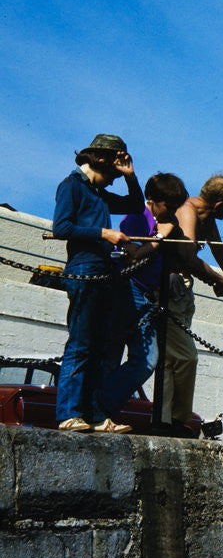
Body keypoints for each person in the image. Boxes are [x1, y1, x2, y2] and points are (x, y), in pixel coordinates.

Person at [51, 134, 139, 432]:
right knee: (81, 344)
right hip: (84, 271)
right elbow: (61, 227)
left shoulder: (98, 192)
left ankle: (96, 416)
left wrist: (131, 176)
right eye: (116, 169)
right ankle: (69, 413)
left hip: (104, 274)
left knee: (100, 347)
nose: (116, 176)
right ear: (101, 159)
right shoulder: (71, 186)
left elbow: (135, 205)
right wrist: (103, 233)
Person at [95, 172, 189, 427]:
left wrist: (173, 232)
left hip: (149, 297)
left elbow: (185, 253)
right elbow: (134, 255)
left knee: (147, 360)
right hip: (127, 291)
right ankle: (99, 410)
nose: (170, 212)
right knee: (111, 356)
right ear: (152, 200)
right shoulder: (136, 218)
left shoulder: (168, 222)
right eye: (167, 206)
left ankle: (101, 407)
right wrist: (160, 238)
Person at [160, 174, 223, 430]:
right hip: (171, 287)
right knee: (185, 357)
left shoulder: (206, 217)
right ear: (219, 204)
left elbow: (220, 251)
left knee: (172, 360)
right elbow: (188, 255)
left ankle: (167, 418)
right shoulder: (188, 211)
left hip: (181, 292)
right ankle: (178, 419)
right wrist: (216, 279)